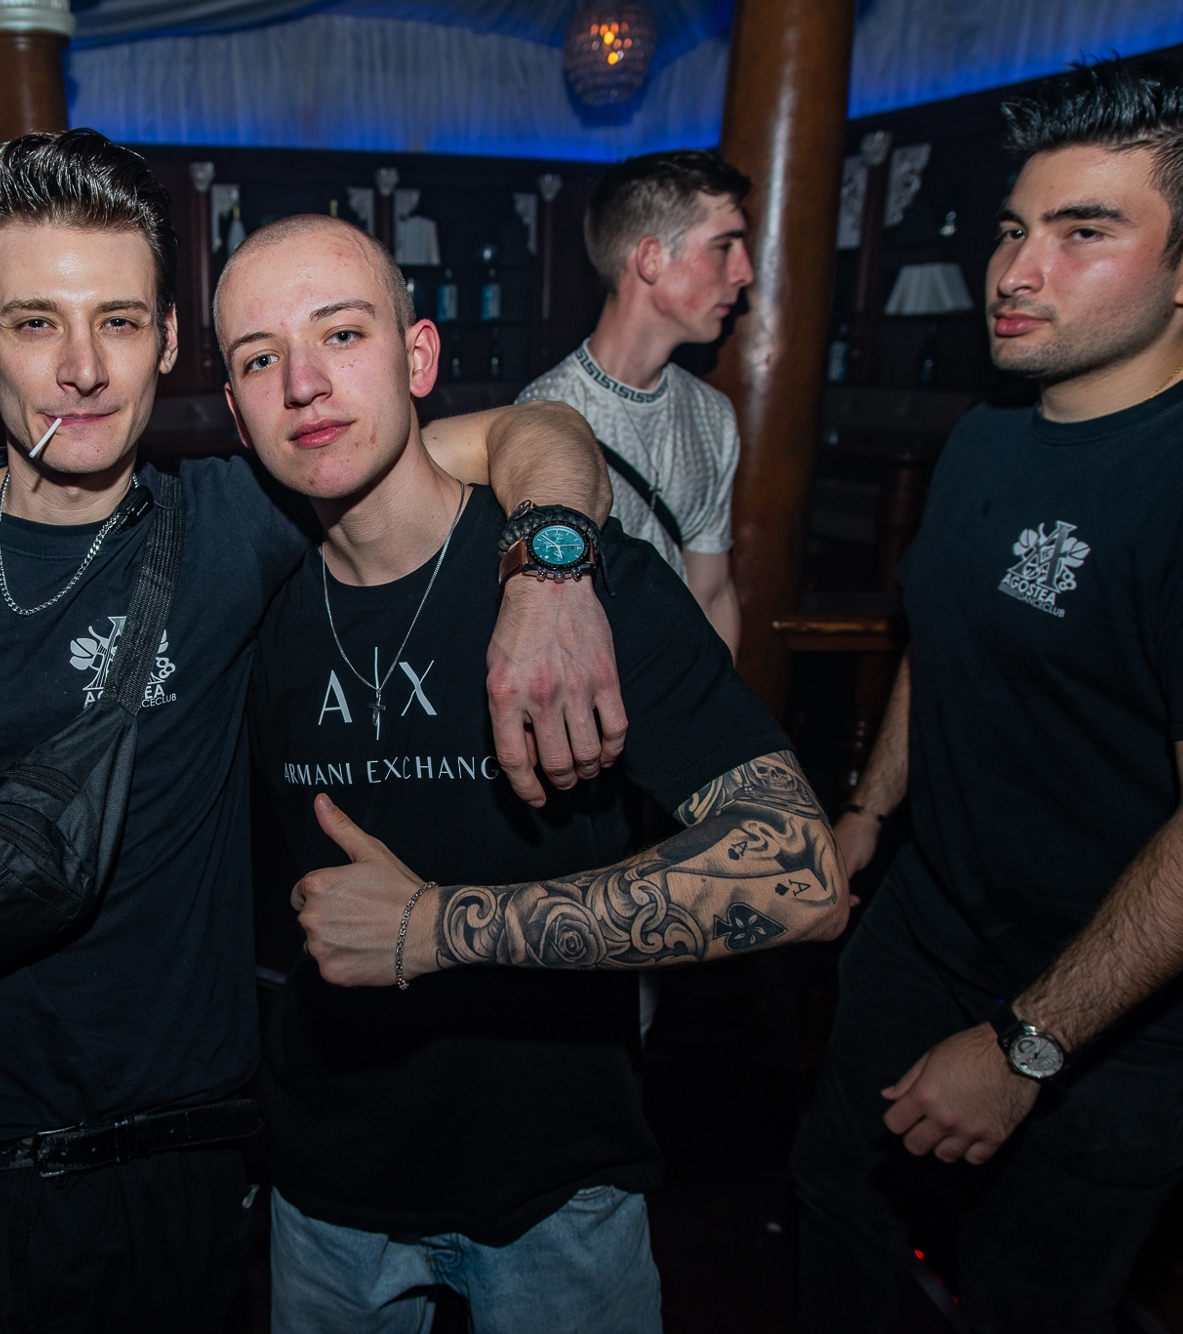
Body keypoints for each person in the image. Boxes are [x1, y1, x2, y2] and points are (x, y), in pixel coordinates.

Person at [0, 128, 624, 1333]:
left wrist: (549, 572)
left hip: (171, 1152)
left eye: (118, 321)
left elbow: (527, 431)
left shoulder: (240, 520)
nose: (81, 368)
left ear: (168, 340)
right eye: (34, 323)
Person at [208, 213, 846, 1333]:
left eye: (342, 335)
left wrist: (440, 927)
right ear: (233, 406)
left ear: (417, 357)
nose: (303, 383)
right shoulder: (248, 597)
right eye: (261, 358)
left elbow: (798, 875)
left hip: (559, 1183)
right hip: (326, 1185)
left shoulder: (579, 584)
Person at [790, 57, 1183, 1334]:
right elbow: (937, 641)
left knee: (1024, 1300)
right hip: (930, 930)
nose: (1013, 270)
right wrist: (866, 812)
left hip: (1126, 1014)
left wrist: (1023, 1041)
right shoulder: (992, 426)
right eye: (1010, 229)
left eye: (1080, 233)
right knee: (836, 1209)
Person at [517, 149, 753, 655]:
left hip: (685, 692)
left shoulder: (713, 414)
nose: (744, 272)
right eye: (724, 246)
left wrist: (724, 705)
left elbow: (712, 593)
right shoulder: (544, 414)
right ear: (650, 259)